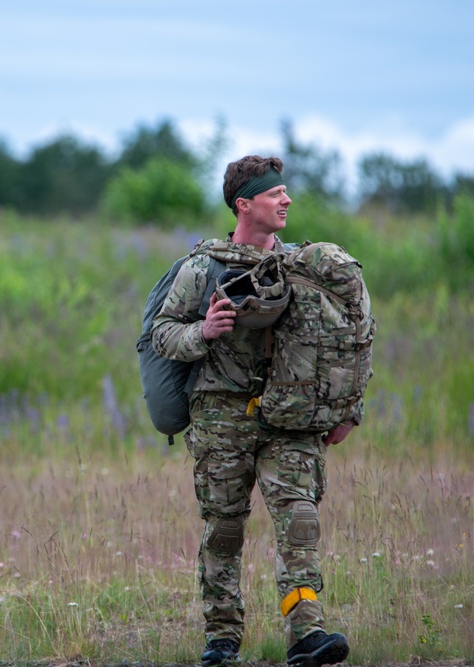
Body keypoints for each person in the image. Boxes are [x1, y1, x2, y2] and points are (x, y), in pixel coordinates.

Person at [150, 155, 353, 667]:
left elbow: (345, 339)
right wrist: (204, 331)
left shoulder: (303, 267)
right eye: (274, 193)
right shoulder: (202, 268)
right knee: (223, 528)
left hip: (292, 418)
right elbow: (161, 334)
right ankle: (221, 640)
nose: (286, 200)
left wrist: (348, 408)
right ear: (244, 205)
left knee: (300, 519)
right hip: (221, 415)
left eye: (285, 192)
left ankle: (306, 633)